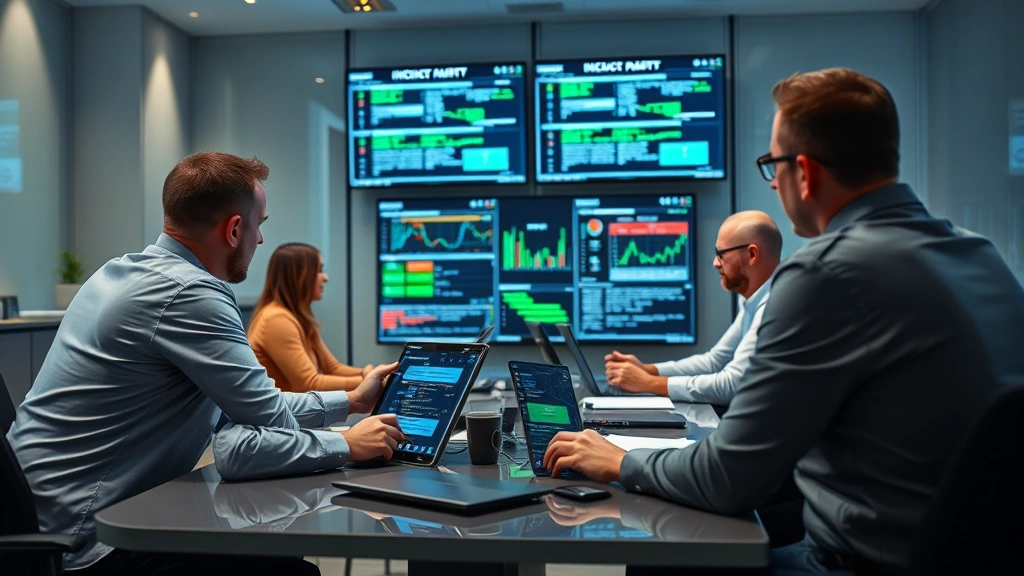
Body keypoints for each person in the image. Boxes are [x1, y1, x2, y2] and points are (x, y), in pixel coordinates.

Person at [543, 68, 1024, 575]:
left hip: (856, 564)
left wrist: (619, 460)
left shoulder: (826, 273)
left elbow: (729, 478)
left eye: (773, 167)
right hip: (981, 559)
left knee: (659, 553)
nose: (773, 183)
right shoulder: (980, 254)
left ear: (806, 173)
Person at [6, 152, 406, 576]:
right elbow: (271, 420)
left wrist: (353, 401)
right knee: (289, 572)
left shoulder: (119, 272)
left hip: (35, 515)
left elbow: (253, 410)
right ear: (235, 229)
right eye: (260, 225)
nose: (261, 241)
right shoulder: (190, 294)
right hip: (84, 541)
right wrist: (349, 444)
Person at [603, 211, 782, 406]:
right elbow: (715, 361)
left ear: (752, 255)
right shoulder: (755, 298)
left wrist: (650, 383)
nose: (715, 263)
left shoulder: (774, 304)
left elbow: (732, 385)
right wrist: (648, 370)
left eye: (721, 254)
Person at [249, 242, 373, 392]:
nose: (325, 278)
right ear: (299, 275)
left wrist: (370, 374)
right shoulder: (276, 319)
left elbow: (332, 368)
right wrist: (369, 381)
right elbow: (309, 384)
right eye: (319, 270)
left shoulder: (297, 317)